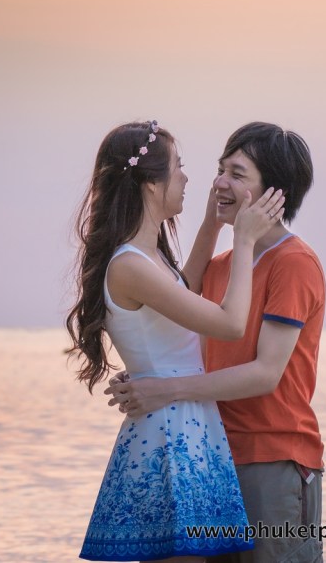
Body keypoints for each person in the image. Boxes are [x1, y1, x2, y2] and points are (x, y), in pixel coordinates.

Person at [105, 122, 326, 563]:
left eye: (237, 174)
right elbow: (177, 321)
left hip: (272, 459)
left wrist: (164, 389)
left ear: (272, 195)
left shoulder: (294, 264)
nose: (219, 182)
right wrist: (150, 374)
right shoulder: (227, 265)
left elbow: (266, 374)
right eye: (220, 169)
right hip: (212, 458)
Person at [67, 120, 285, 562]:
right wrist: (243, 239)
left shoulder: (147, 259)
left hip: (182, 423)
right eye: (178, 167)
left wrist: (212, 224)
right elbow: (228, 323)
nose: (188, 178)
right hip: (169, 435)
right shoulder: (130, 265)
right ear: (151, 183)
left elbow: (184, 288)